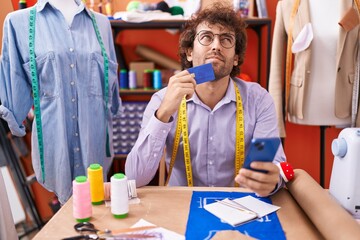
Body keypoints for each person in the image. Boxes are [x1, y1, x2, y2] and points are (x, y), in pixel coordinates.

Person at [124, 3, 286, 197]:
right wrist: (164, 113)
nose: (216, 45)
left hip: (241, 208)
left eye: (226, 39)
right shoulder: (162, 100)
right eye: (206, 37)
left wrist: (272, 179)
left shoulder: (258, 100)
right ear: (190, 53)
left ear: (235, 58)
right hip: (180, 207)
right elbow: (135, 177)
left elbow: (273, 164)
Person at [0, 0, 121, 204]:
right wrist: (14, 118)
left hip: (95, 144)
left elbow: (110, 86)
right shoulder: (18, 23)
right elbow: (14, 82)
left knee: (97, 216)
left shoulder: (101, 24)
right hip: (54, 146)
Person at [268, 0, 360, 137]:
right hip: (304, 105)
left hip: (345, 102)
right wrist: (275, 125)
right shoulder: (287, 5)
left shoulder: (356, 5)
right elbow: (276, 67)